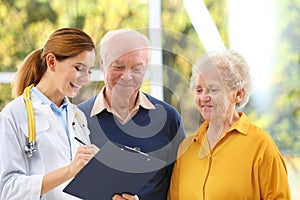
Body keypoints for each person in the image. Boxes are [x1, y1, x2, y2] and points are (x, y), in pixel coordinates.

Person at [168, 50, 291, 199]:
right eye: (199, 90)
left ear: (238, 94)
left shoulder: (262, 146)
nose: (203, 97)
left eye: (213, 89)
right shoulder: (186, 149)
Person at [78, 28, 186, 200]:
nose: (127, 77)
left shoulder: (169, 120)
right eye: (118, 67)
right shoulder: (77, 119)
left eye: (136, 69)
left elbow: (181, 189)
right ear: (102, 63)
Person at [0, 28, 99, 200]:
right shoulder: (13, 115)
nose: (85, 78)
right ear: (52, 62)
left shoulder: (77, 118)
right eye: (78, 68)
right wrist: (70, 170)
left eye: (89, 71)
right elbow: (7, 190)